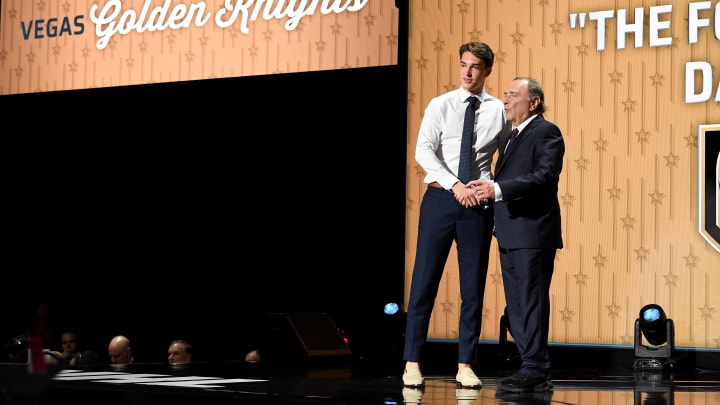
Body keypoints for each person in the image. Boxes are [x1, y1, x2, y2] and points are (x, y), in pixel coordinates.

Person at [402, 41, 505, 389]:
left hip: (476, 205)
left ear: (487, 70)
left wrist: (488, 186)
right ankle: (413, 362)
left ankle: (465, 365)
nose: (467, 72)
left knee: (472, 289)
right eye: (463, 64)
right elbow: (423, 151)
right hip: (441, 200)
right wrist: (453, 184)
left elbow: (504, 158)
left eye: (475, 66)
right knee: (424, 283)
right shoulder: (441, 104)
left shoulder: (497, 110)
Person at [470, 76, 564, 393]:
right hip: (511, 232)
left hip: (533, 232)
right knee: (517, 306)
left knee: (531, 302)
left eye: (512, 95)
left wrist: (496, 189)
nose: (505, 100)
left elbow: (543, 176)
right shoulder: (512, 136)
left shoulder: (546, 132)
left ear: (533, 102)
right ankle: (530, 366)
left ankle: (536, 367)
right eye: (506, 95)